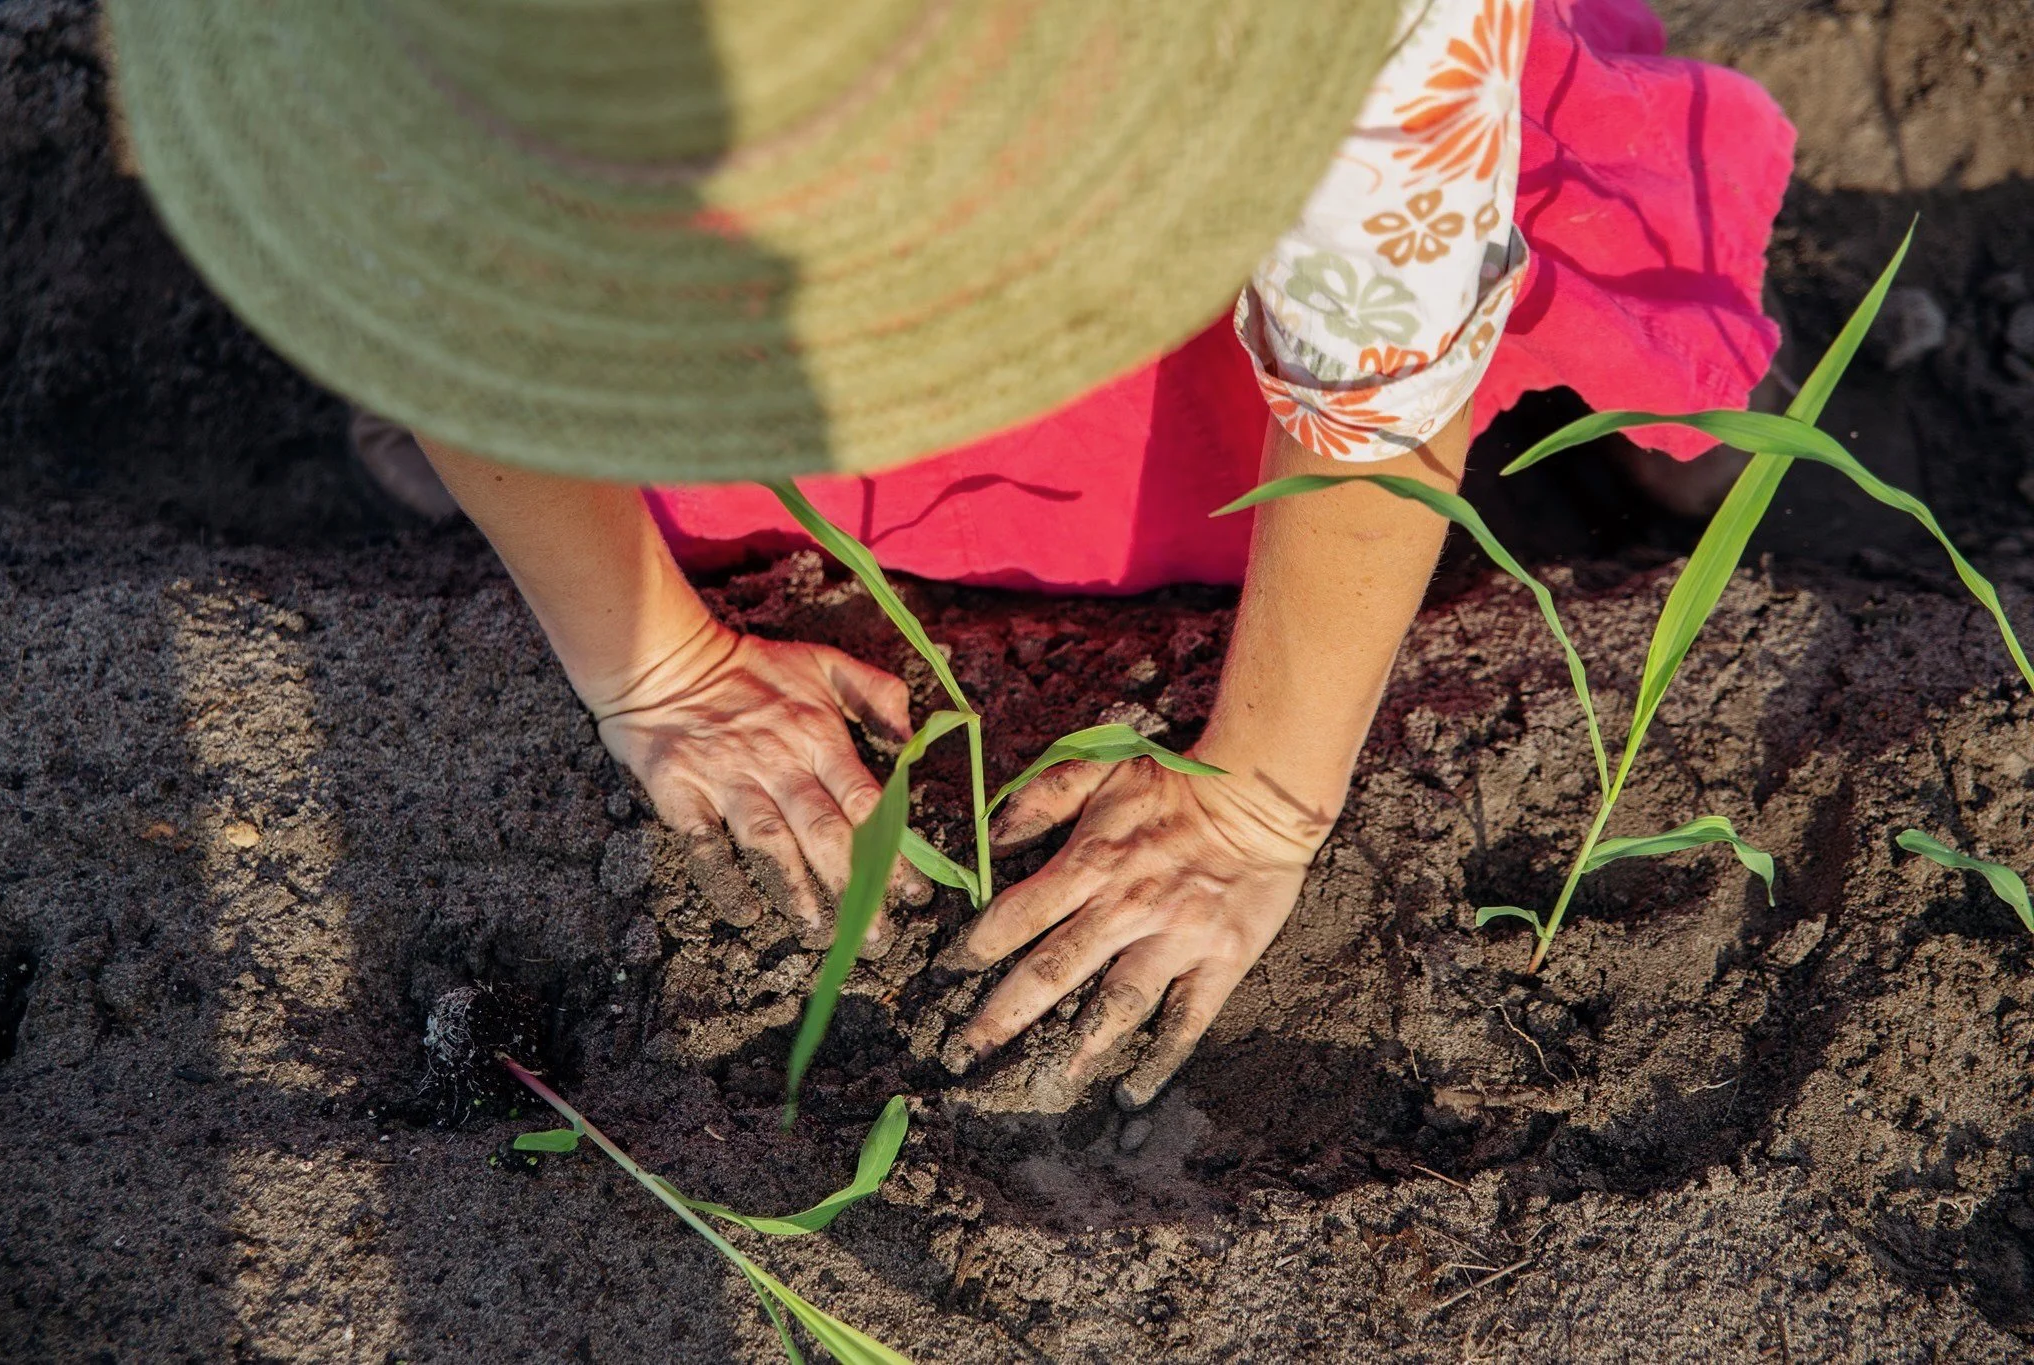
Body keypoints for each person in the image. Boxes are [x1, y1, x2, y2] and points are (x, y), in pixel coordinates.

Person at [110, 0, 1791, 1109]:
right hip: (706, 270)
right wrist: (653, 663)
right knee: (515, 424)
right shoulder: (444, 68)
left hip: (1219, 252)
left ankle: (1662, 418)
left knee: (1537, 318)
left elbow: (1378, 356)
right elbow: (441, 272)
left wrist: (1266, 796)